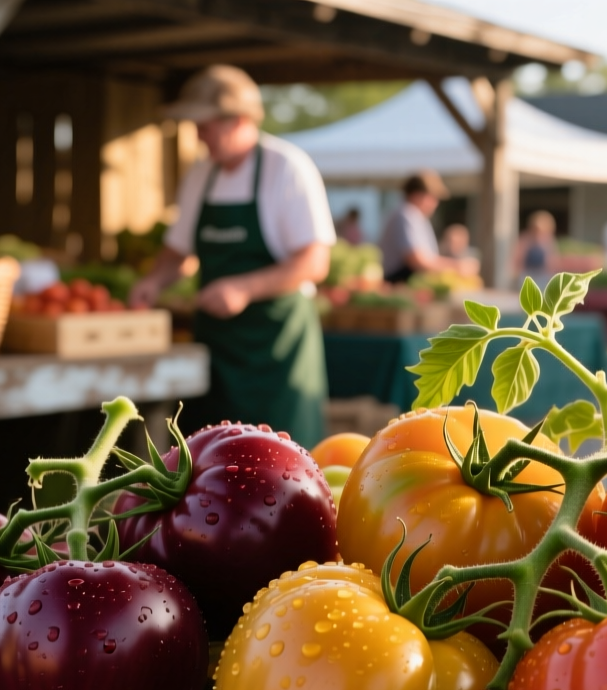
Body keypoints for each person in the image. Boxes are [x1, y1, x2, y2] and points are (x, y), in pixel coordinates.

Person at [129, 65, 334, 445]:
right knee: (212, 462)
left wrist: (244, 288)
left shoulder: (286, 168)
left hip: (277, 351)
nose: (197, 134)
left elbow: (314, 261)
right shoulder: (201, 175)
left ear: (238, 120)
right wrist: (155, 280)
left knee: (283, 465)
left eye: (204, 125)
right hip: (218, 351)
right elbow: (179, 251)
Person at [378, 170, 474, 283]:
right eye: (433, 197)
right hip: (399, 282)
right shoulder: (407, 214)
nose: (435, 203)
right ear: (417, 195)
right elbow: (416, 260)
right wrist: (456, 266)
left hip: (406, 282)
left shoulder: (414, 216)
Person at [515, 210, 556, 282]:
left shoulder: (548, 241)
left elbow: (552, 260)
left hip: (542, 274)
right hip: (527, 273)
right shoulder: (525, 239)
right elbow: (518, 258)